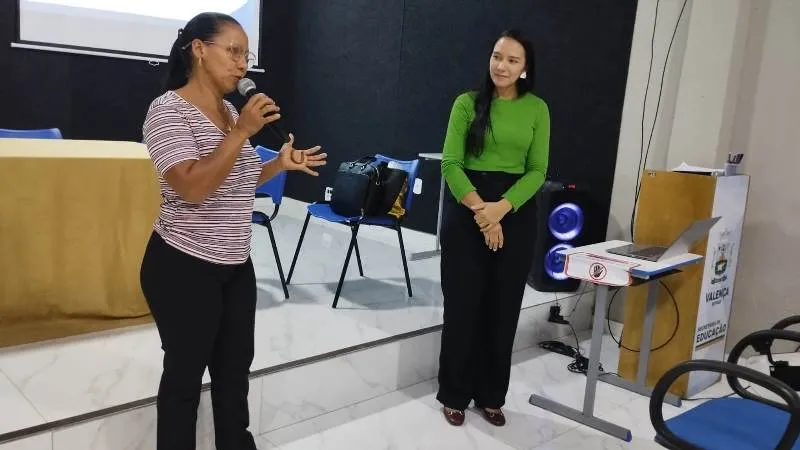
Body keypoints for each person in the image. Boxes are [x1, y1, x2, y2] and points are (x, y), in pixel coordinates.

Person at [140, 12, 326, 450]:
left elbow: (235, 180)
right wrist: (242, 131)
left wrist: (277, 165)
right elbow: (193, 187)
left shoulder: (228, 112)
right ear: (199, 50)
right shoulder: (167, 111)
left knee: (234, 373)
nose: (243, 65)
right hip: (183, 267)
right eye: (234, 52)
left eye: (247, 55)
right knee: (185, 378)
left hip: (235, 266)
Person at [437, 29, 550, 427]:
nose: (502, 66)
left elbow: (537, 171)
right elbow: (451, 164)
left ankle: (490, 395)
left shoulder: (537, 109)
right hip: (467, 207)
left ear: (525, 68)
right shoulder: (466, 103)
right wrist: (482, 213)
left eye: (512, 60)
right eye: (497, 56)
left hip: (514, 210)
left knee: (503, 310)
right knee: (463, 307)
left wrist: (500, 210)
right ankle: (454, 393)